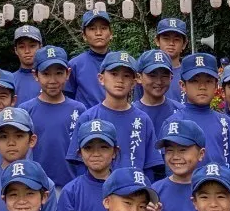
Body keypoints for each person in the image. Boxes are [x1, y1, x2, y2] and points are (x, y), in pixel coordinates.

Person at [67, 50, 163, 181]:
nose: (120, 80)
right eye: (114, 74)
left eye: (126, 76)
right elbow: (79, 164)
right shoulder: (88, 117)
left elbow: (150, 165)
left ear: (134, 82)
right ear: (101, 78)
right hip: (98, 188)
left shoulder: (143, 119)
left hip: (135, 189)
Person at [24, 46, 82, 193]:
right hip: (34, 185)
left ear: (68, 73)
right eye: (46, 74)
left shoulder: (79, 110)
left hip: (70, 186)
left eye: (59, 73)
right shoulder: (25, 111)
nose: (53, 80)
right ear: (35, 75)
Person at [177, 52, 230, 170]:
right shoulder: (174, 122)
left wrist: (223, 179)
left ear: (216, 85)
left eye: (208, 81)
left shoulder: (226, 122)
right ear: (183, 85)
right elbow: (170, 165)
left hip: (222, 181)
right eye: (195, 81)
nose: (202, 87)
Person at [58, 119, 121, 211]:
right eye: (88, 148)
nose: (96, 154)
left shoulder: (125, 187)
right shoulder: (71, 191)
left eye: (103, 147)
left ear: (114, 152)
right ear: (80, 153)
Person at [67, 11, 113, 109]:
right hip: (85, 117)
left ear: (111, 34)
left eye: (103, 28)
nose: (98, 33)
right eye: (92, 29)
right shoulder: (75, 64)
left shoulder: (120, 63)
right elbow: (68, 98)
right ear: (84, 36)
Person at [136, 49, 181, 132]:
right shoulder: (131, 113)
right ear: (139, 78)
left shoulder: (181, 111)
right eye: (152, 75)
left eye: (164, 76)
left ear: (171, 78)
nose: (159, 81)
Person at [152, 16, 189, 102]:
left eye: (176, 39)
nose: (171, 43)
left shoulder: (190, 74)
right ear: (157, 41)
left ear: (184, 44)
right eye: (166, 39)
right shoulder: (147, 73)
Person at [10, 24, 43, 104]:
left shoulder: (51, 80)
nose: (27, 51)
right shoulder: (9, 80)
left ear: (40, 47)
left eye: (32, 46)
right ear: (16, 50)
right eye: (22, 47)